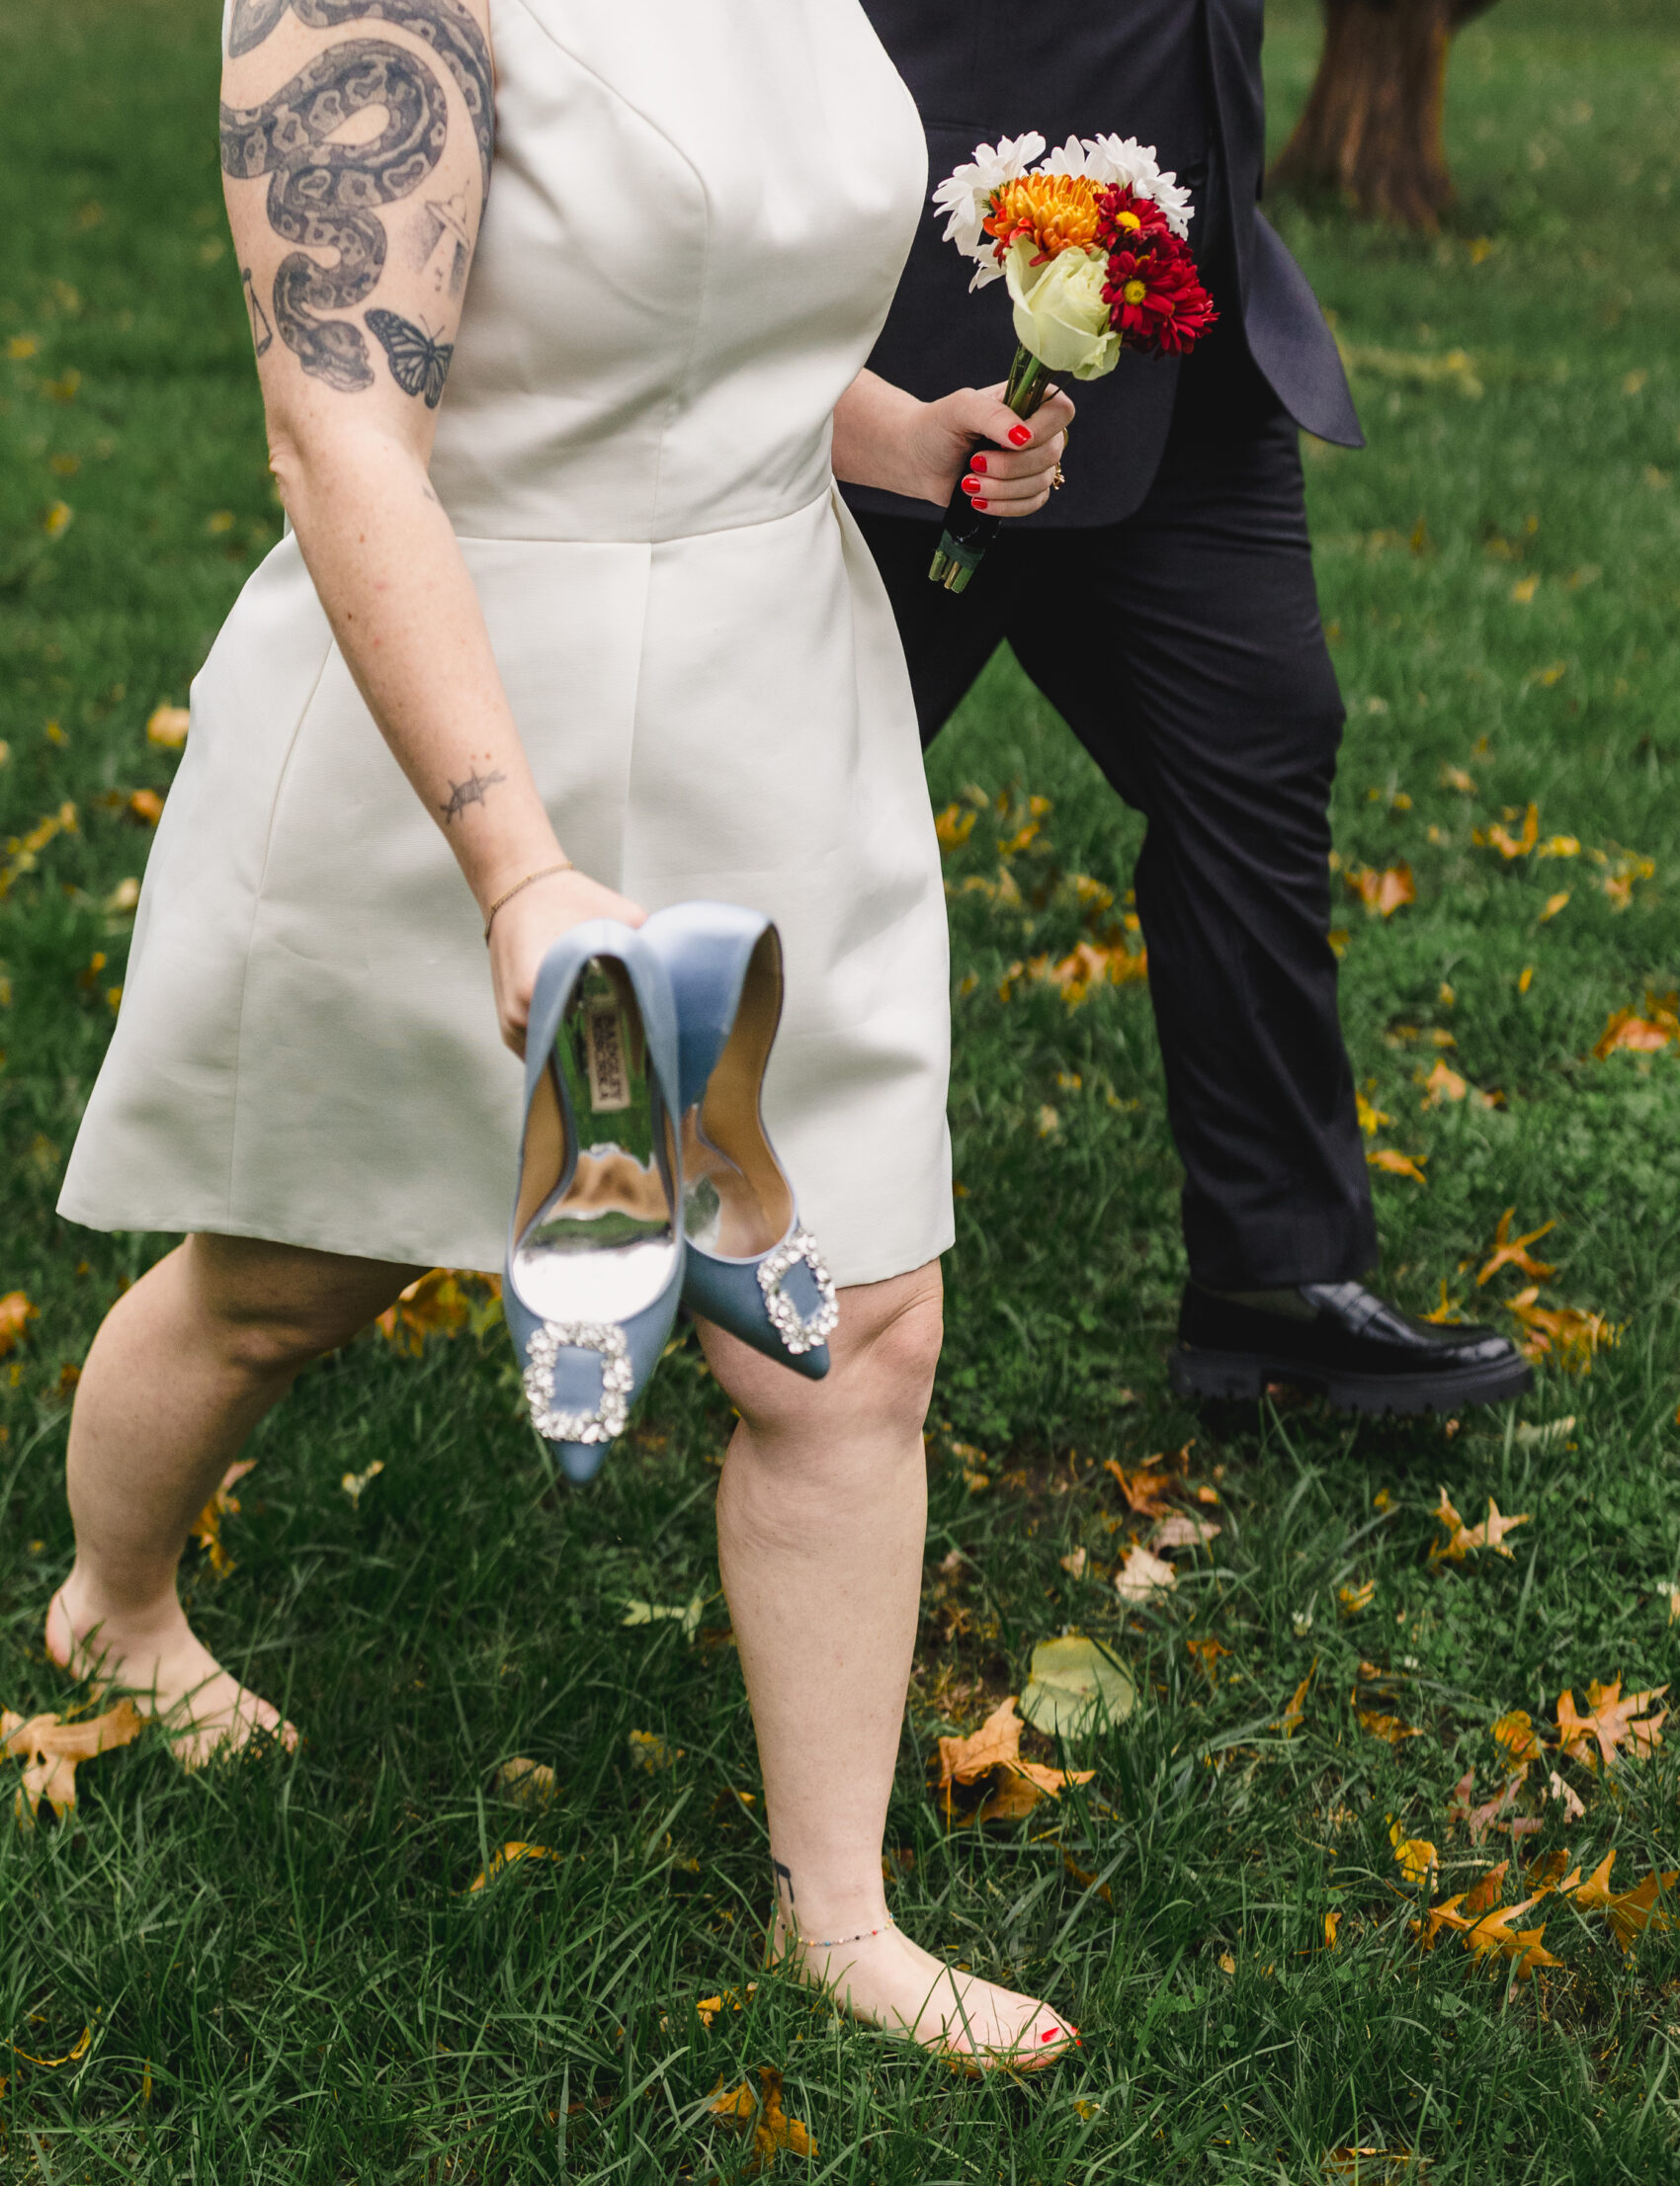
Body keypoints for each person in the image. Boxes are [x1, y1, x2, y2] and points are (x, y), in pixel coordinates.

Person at [50, 0, 1077, 2068]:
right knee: (285, 1275)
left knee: (853, 1328)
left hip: (773, 704)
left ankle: (843, 1910)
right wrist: (516, 867)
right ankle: (117, 1604)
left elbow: (718, 334)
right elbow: (338, 434)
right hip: (448, 719)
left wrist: (899, 433)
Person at [839, 0, 1532, 1418]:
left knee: (1261, 749)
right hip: (912, 344)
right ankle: (525, 1189)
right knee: (750, 816)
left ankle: (1274, 1280)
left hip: (1186, 330)